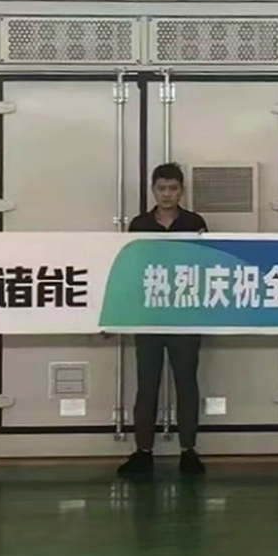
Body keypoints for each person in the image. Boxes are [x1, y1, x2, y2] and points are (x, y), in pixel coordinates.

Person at [117, 163, 210, 478]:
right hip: (149, 317)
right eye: (161, 189)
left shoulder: (195, 223)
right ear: (153, 190)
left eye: (173, 188)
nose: (167, 194)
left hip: (185, 317)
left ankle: (188, 451)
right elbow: (129, 271)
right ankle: (143, 452)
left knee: (187, 384)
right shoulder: (139, 224)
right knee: (147, 385)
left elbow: (205, 267)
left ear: (181, 191)